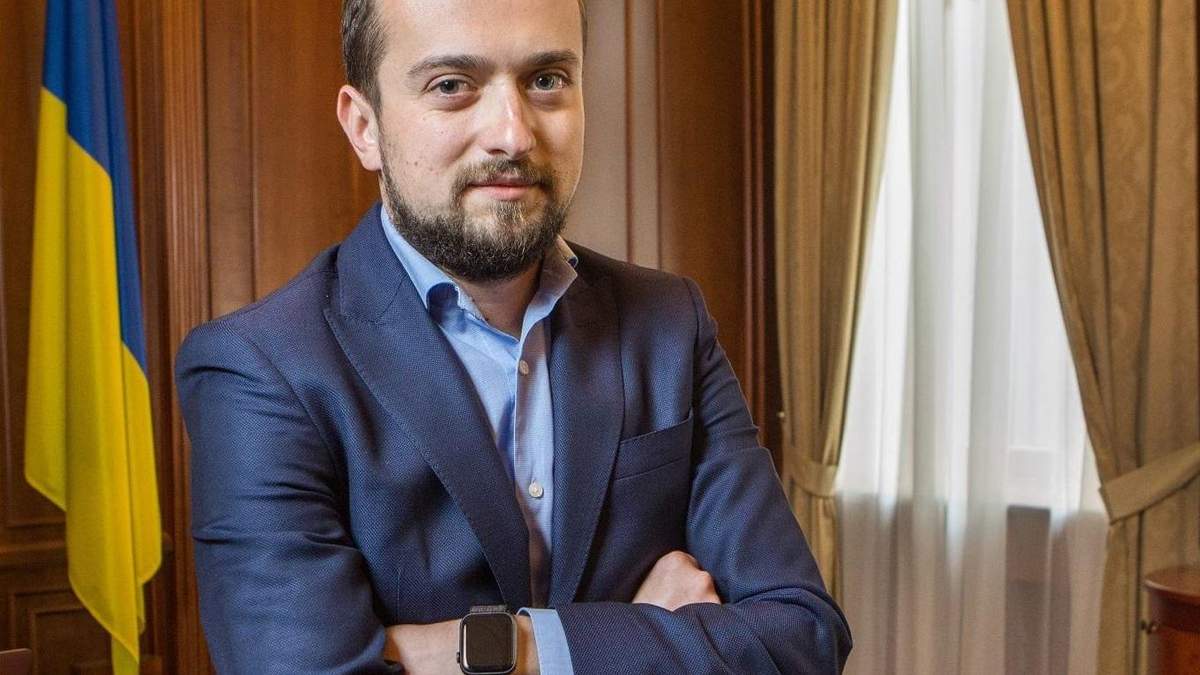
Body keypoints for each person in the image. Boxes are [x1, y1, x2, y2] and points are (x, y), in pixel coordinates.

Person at [175, 0, 850, 672]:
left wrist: (470, 651)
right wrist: (625, 636)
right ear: (364, 126)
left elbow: (802, 634)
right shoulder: (259, 367)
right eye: (452, 85)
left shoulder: (670, 322)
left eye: (547, 80)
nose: (512, 134)